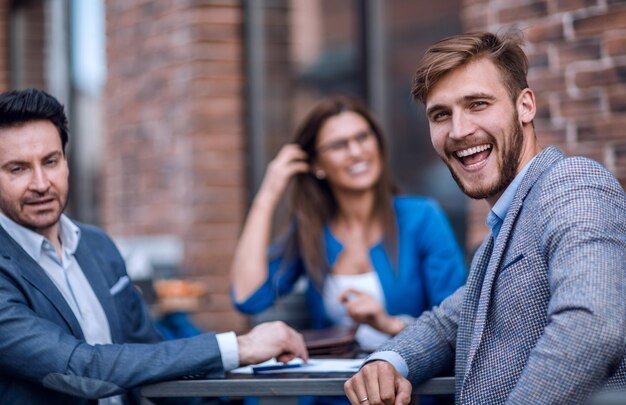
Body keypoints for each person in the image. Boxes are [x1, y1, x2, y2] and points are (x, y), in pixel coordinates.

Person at [344, 31, 626, 405]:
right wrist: (386, 361)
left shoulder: (571, 183)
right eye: (441, 114)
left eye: (477, 103)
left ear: (525, 106)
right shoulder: (506, 224)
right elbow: (447, 324)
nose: (459, 131)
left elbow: (592, 326)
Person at [0, 88, 309, 404]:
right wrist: (238, 348)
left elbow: (148, 356)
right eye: (18, 169)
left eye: (50, 161)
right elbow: (82, 369)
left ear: (66, 161)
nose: (40, 183)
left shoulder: (98, 246)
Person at [230, 95, 466, 351]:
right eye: (339, 145)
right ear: (317, 165)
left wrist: (388, 324)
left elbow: (458, 326)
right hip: (331, 385)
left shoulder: (421, 217)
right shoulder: (311, 229)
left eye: (363, 137)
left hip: (409, 386)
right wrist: (268, 194)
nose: (356, 152)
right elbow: (248, 297)